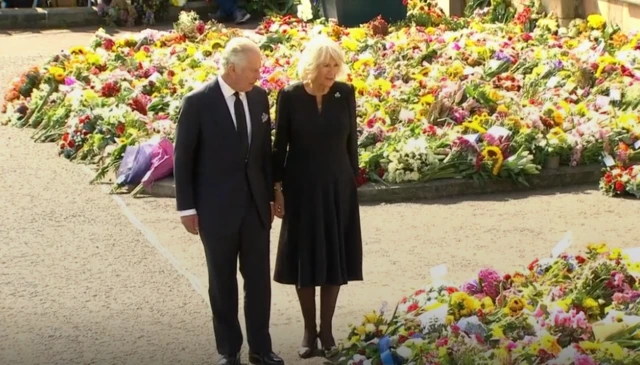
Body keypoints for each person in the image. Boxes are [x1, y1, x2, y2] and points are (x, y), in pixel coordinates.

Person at [173, 36, 284, 365]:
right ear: (232, 69)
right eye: (253, 70)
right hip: (215, 210)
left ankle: (261, 349)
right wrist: (186, 207)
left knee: (259, 284)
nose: (258, 76)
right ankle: (229, 351)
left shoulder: (259, 98)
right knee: (222, 284)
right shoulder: (198, 102)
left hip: (254, 208)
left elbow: (263, 153)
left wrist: (272, 194)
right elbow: (184, 157)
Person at [271, 35, 364, 359]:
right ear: (312, 65)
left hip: (338, 187)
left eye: (336, 65)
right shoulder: (291, 95)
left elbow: (352, 138)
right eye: (326, 64)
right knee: (306, 260)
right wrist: (277, 188)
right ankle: (309, 331)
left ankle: (327, 331)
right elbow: (279, 144)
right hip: (302, 188)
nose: (332, 71)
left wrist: (354, 177)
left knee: (334, 259)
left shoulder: (344, 93)